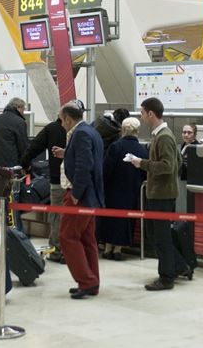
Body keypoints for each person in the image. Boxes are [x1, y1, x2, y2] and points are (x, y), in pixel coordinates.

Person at [129, 97, 191, 291]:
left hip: (162, 196)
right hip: (159, 192)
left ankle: (166, 278)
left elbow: (168, 165)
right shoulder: (161, 135)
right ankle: (180, 266)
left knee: (160, 237)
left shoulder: (163, 137)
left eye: (142, 112)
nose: (141, 116)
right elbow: (178, 162)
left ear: (150, 114)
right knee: (156, 234)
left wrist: (142, 163)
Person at [52, 102, 104, 299]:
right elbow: (87, 158)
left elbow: (85, 166)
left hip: (80, 196)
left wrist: (75, 194)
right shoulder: (90, 131)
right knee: (86, 239)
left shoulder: (80, 134)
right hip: (91, 197)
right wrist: (66, 154)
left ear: (68, 118)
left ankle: (86, 281)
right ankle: (92, 281)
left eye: (61, 119)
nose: (61, 123)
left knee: (67, 237)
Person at [98, 117, 147, 260]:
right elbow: (144, 172)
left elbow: (105, 169)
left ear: (123, 130)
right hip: (131, 191)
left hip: (112, 190)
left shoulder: (115, 147)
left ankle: (107, 248)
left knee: (110, 217)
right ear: (137, 131)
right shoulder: (141, 150)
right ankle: (118, 249)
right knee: (125, 219)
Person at [20, 116, 66, 263]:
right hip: (77, 181)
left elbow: (35, 146)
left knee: (57, 216)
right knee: (74, 217)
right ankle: (70, 251)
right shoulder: (83, 130)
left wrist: (24, 163)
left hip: (57, 179)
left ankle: (57, 251)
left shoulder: (52, 128)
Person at [0, 97, 28, 168]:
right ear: (18, 108)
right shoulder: (19, 121)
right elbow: (23, 145)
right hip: (11, 163)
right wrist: (27, 163)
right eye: (23, 109)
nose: (23, 112)